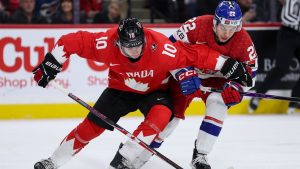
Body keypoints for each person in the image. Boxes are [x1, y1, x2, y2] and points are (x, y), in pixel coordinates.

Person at [32, 17, 251, 169]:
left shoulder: (161, 47)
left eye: (139, 46)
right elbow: (71, 42)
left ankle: (126, 157)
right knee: (90, 129)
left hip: (154, 92)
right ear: (118, 43)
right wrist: (51, 64)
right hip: (119, 90)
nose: (135, 51)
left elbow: (197, 54)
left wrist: (230, 66)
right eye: (129, 48)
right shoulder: (104, 43)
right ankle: (52, 161)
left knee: (163, 115)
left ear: (145, 39)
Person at [128, 1, 258, 169]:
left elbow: (251, 76)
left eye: (232, 29)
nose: (227, 33)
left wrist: (237, 88)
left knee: (218, 104)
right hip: (187, 75)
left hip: (216, 81)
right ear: (215, 22)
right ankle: (141, 155)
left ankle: (200, 155)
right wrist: (182, 73)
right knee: (170, 118)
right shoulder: (196, 26)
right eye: (223, 28)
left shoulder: (243, 42)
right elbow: (167, 50)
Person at [249, 0, 300, 114]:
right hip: (288, 34)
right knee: (281, 68)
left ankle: (294, 101)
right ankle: (258, 96)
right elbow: (286, 16)